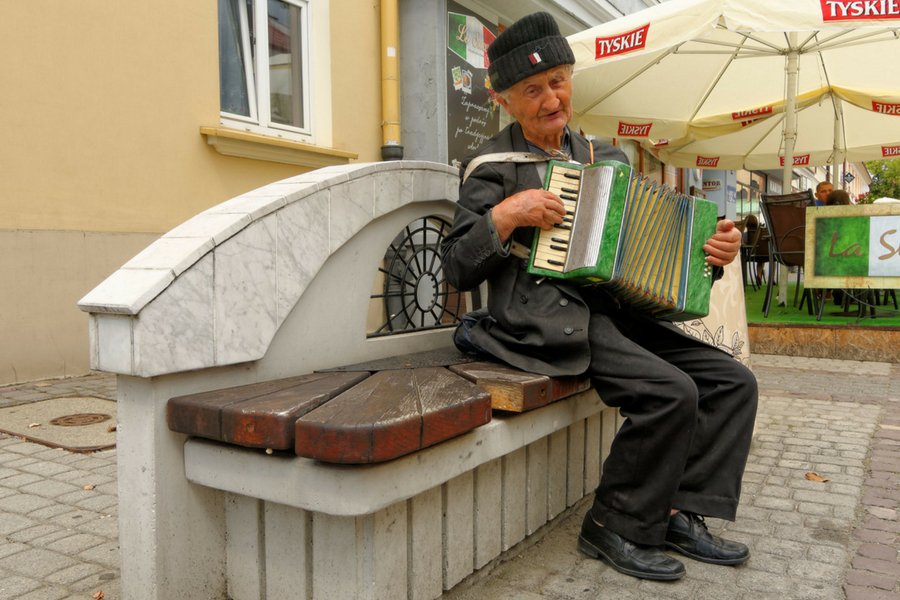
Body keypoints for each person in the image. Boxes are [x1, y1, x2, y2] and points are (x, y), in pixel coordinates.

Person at [440, 12, 758, 582]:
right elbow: (458, 267)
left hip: (615, 313)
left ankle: (679, 510)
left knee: (733, 382)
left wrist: (709, 259)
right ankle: (614, 524)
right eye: (532, 90)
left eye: (558, 81)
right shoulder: (492, 167)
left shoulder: (605, 159)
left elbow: (654, 265)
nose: (550, 98)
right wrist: (507, 215)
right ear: (506, 101)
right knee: (670, 392)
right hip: (541, 319)